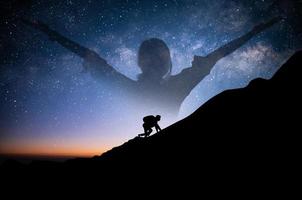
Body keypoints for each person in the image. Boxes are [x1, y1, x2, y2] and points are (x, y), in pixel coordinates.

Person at [21, 17, 282, 115]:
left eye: (160, 56)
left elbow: (220, 52)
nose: (155, 60)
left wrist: (255, 31)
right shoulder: (175, 82)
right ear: (141, 60)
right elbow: (91, 58)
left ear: (167, 60)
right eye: (150, 55)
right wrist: (49, 32)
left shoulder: (181, 81)